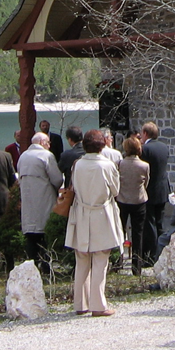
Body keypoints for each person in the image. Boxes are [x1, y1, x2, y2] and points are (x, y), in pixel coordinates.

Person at [64, 129, 123, 317]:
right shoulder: (107, 165)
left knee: (82, 259)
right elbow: (116, 190)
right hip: (102, 213)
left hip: (81, 213)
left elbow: (74, 187)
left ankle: (80, 304)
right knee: (100, 259)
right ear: (102, 145)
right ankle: (98, 305)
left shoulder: (77, 165)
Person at [18, 131, 63, 273]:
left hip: (28, 201)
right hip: (44, 198)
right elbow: (57, 179)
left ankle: (31, 266)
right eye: (48, 142)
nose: (49, 145)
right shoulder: (46, 155)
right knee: (44, 234)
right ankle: (46, 266)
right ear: (42, 143)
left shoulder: (23, 156)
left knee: (31, 235)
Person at [116, 135, 150, 275]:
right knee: (138, 233)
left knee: (120, 231)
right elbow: (146, 182)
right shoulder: (144, 165)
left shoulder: (120, 164)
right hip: (139, 200)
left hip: (122, 199)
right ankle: (137, 267)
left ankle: (118, 262)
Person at [140, 121, 170, 264]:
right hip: (162, 189)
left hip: (150, 190)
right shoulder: (164, 147)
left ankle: (151, 256)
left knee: (149, 223)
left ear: (145, 133)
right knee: (160, 222)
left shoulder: (145, 149)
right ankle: (162, 252)